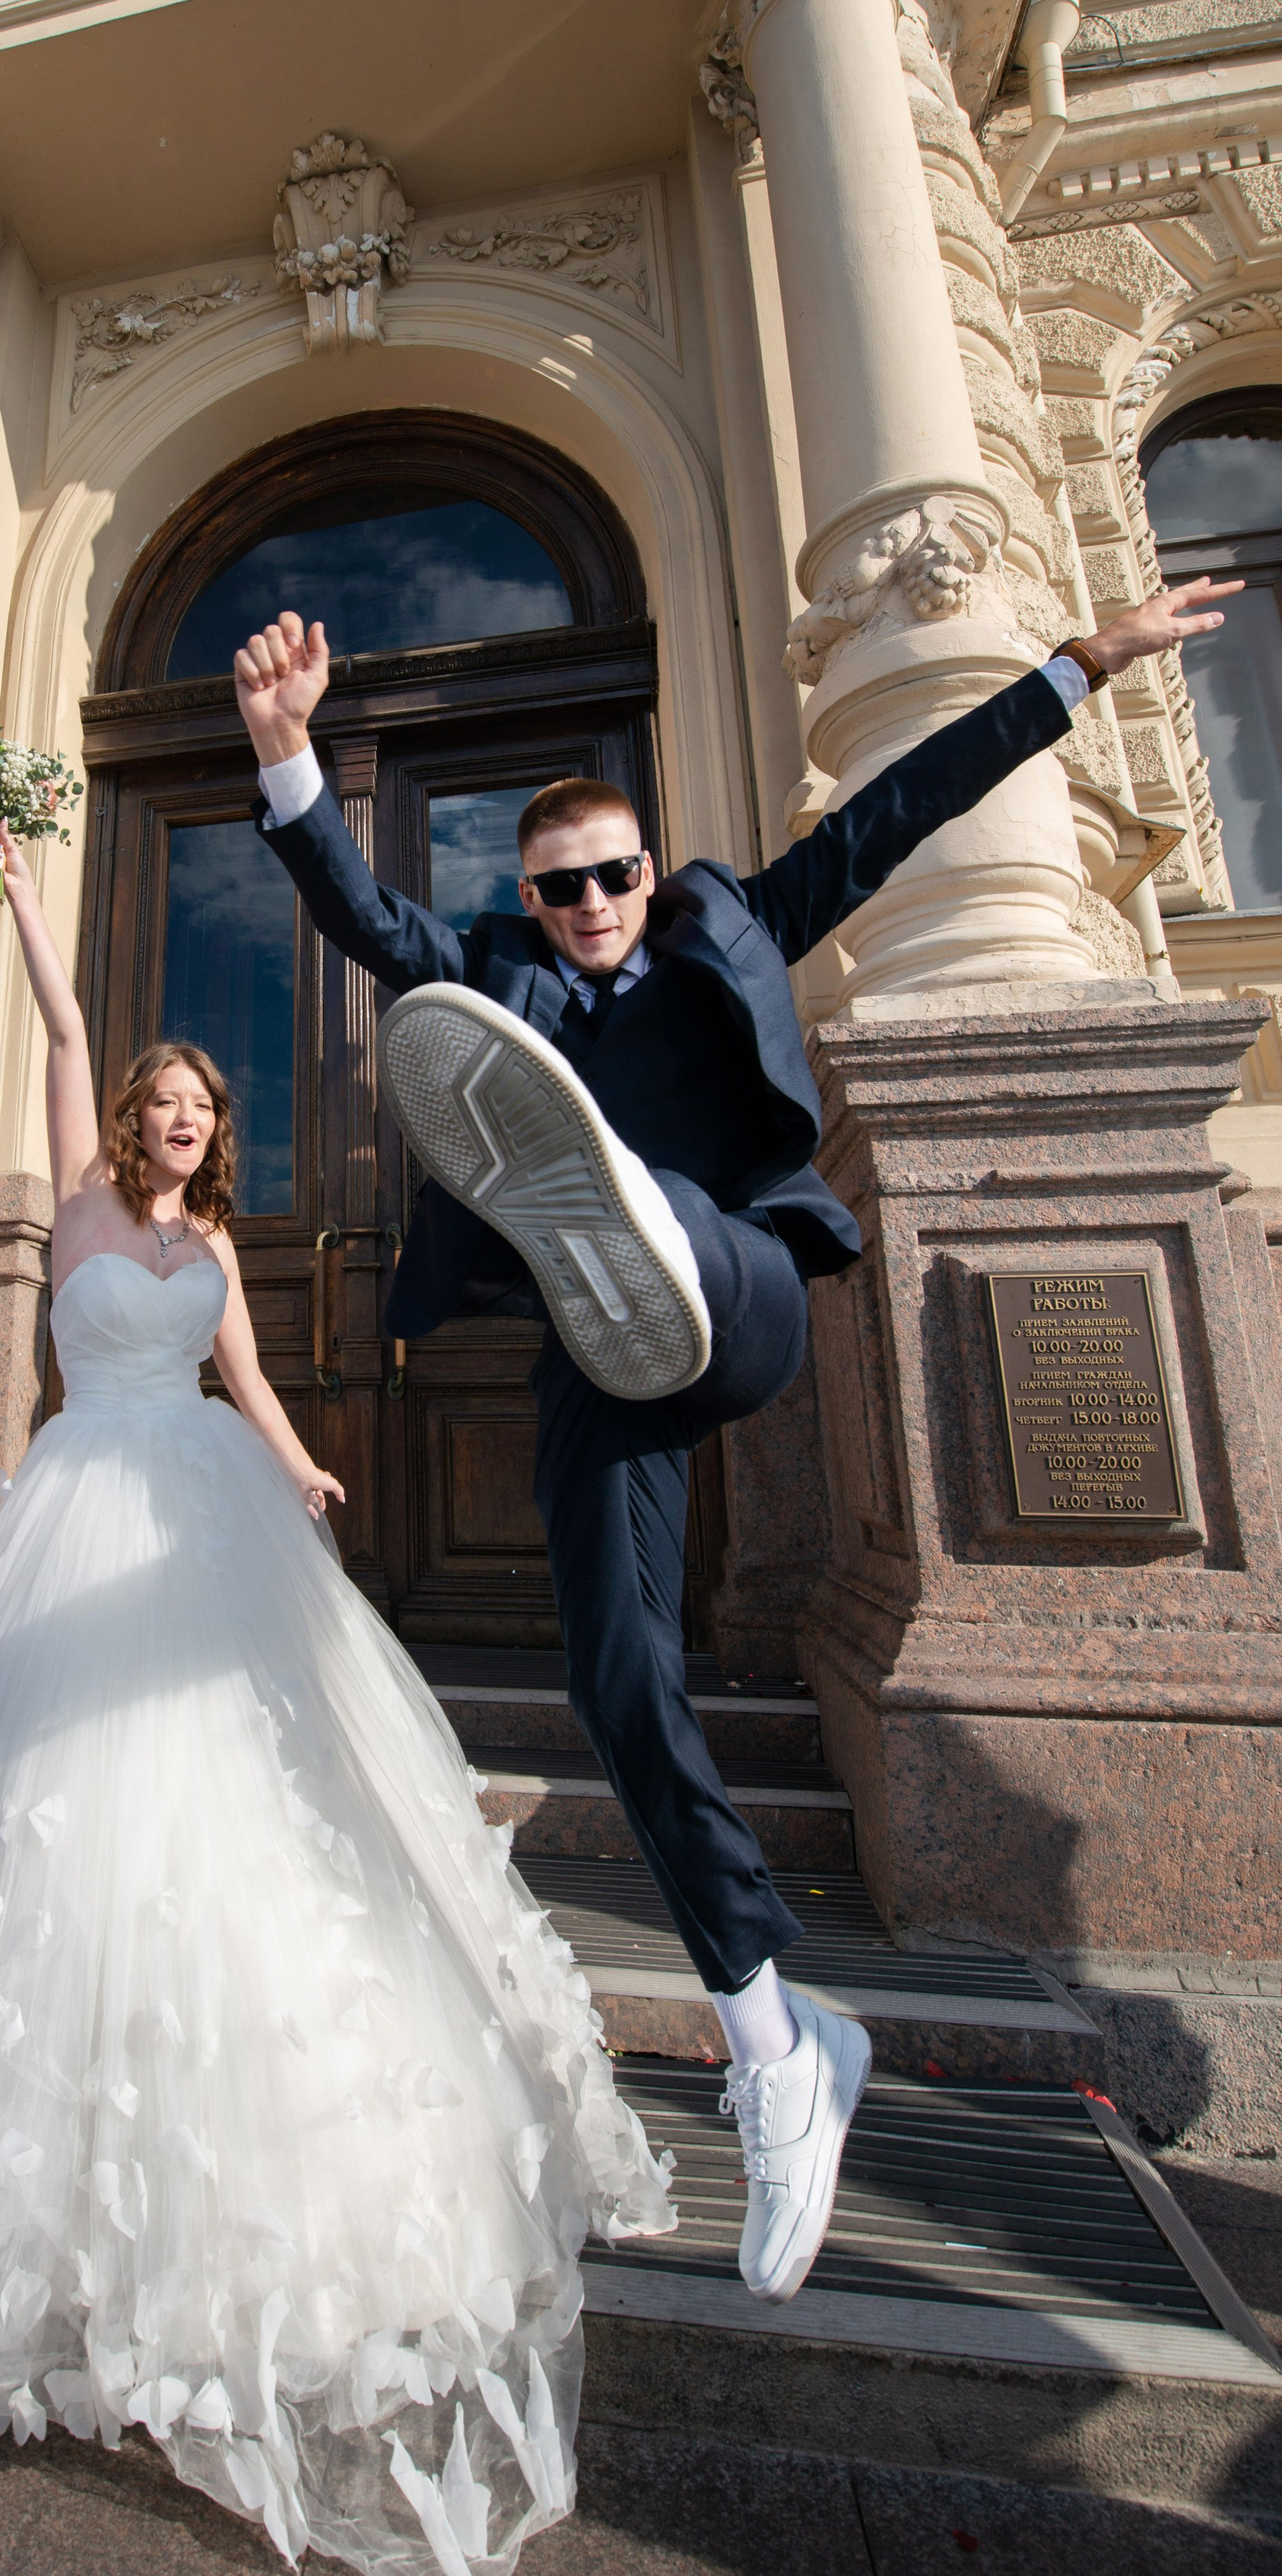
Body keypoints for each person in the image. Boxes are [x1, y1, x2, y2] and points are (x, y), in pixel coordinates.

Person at [0, 817, 677, 2576]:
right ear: (132, 1113)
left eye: (199, 1115)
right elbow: (58, 1035)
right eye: (164, 1107)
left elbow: (251, 1379)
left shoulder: (216, 1254)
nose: (176, 1126)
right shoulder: (74, 1197)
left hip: (200, 1513)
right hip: (77, 1516)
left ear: (217, 1136)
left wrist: (297, 1471)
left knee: (236, 1791)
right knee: (45, 1790)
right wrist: (11, 894)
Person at [234, 576, 1236, 2304]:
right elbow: (366, 921)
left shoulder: (724, 929)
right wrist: (285, 765)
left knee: (690, 1242)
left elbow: (891, 813)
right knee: (619, 1680)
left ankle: (631, 1215)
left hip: (744, 1289)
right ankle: (774, 2036)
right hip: (599, 1363)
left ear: (647, 871)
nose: (592, 907)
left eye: (614, 876)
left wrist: (1071, 670)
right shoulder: (490, 965)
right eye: (557, 889)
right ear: (527, 898)